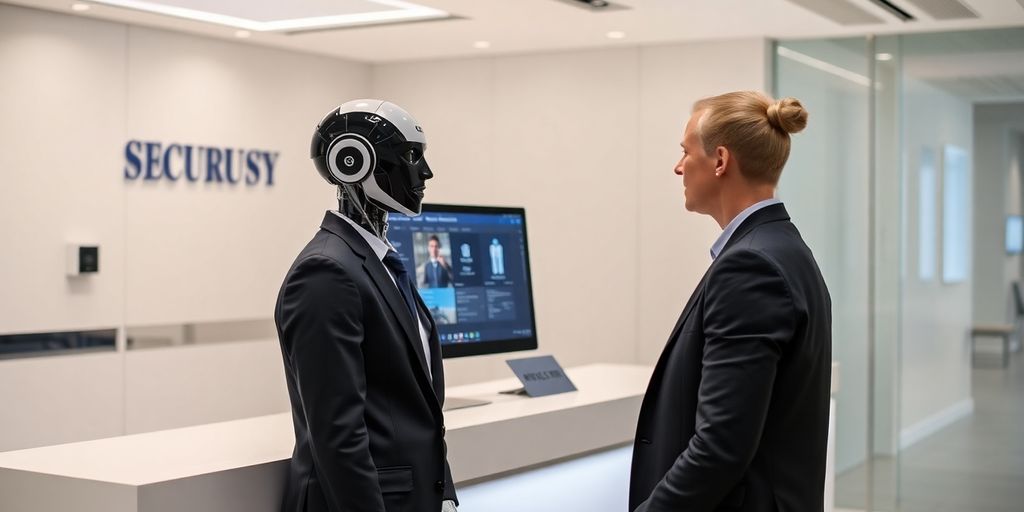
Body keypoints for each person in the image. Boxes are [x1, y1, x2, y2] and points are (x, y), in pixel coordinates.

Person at [629, 91, 832, 512]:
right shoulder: (785, 248)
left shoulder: (750, 267)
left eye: (686, 152)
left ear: (720, 160)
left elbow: (720, 448)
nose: (678, 167)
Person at [275, 99, 458, 512]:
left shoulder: (379, 262)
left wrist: (442, 492)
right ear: (353, 161)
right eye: (411, 156)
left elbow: (417, 410)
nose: (426, 173)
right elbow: (338, 437)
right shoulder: (325, 273)